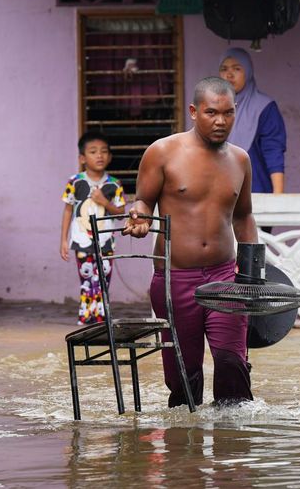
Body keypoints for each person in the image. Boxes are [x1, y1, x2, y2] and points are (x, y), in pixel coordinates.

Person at [122, 77, 258, 407]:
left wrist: (254, 275)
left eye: (228, 113)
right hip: (175, 278)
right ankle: (183, 454)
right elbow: (142, 202)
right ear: (194, 111)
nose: (221, 121)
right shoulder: (163, 152)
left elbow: (244, 217)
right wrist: (138, 217)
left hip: (225, 278)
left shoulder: (240, 160)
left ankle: (234, 451)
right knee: (184, 375)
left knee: (232, 365)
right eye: (212, 113)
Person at [61, 132, 126, 325]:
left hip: (106, 242)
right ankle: (86, 318)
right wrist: (64, 240)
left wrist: (104, 201)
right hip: (81, 240)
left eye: (104, 152)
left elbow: (121, 213)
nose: (100, 156)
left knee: (104, 281)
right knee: (87, 279)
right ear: (82, 158)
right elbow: (67, 211)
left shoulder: (114, 184)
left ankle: (102, 318)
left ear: (110, 156)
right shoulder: (75, 182)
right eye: (93, 152)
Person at [218, 47, 287, 195]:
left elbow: (273, 150)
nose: (229, 75)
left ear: (248, 72)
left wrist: (279, 195)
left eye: (237, 69)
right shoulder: (213, 107)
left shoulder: (264, 107)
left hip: (255, 191)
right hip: (219, 194)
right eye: (224, 69)